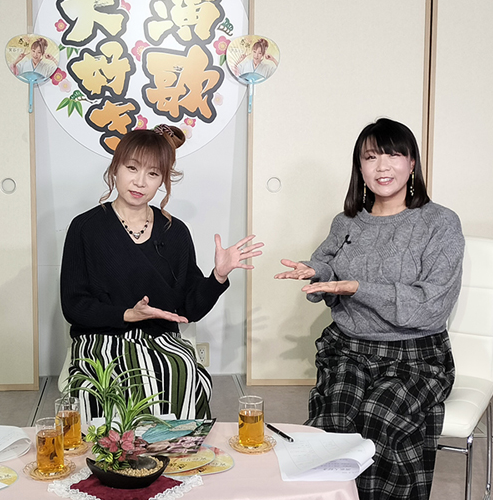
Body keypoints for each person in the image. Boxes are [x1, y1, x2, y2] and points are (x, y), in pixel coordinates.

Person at [275, 118, 464, 500]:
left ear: (412, 163)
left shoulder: (440, 222)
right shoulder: (346, 222)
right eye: (371, 157)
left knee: (377, 421)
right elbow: (329, 267)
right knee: (332, 423)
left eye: (394, 155)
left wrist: (358, 288)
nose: (382, 166)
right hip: (349, 348)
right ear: (359, 167)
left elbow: (431, 307)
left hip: (416, 357)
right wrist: (317, 272)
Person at [60, 125, 263, 421]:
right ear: (115, 168)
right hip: (101, 339)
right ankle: (114, 450)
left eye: (153, 174)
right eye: (132, 168)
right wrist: (128, 314)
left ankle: (178, 448)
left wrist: (217, 277)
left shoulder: (175, 232)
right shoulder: (85, 227)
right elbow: (73, 305)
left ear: (162, 181)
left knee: (182, 373)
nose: (140, 182)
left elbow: (189, 309)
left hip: (161, 339)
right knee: (119, 384)